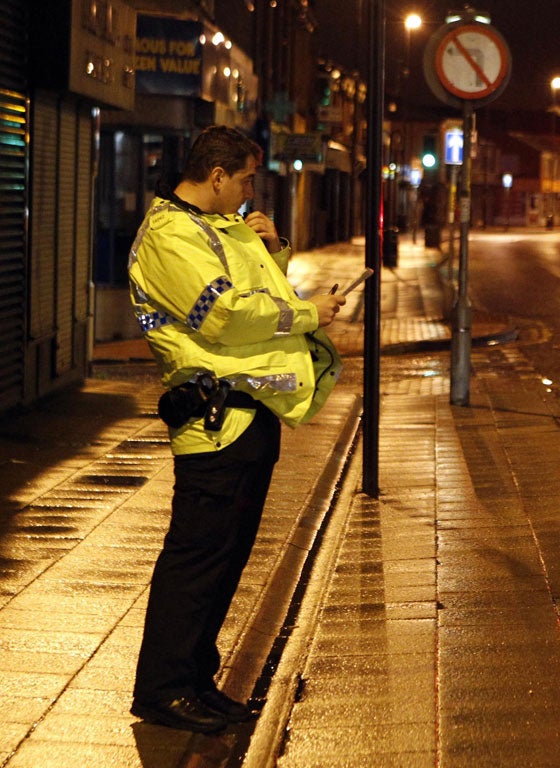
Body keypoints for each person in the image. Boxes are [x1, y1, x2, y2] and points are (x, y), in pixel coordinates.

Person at [127, 126, 346, 733]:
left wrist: (273, 253)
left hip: (248, 416)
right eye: (247, 178)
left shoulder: (217, 230)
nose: (253, 190)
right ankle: (163, 688)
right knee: (197, 560)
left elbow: (252, 298)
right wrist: (309, 312)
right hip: (213, 421)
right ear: (217, 176)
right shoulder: (170, 235)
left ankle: (195, 680)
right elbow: (221, 316)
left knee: (225, 561)